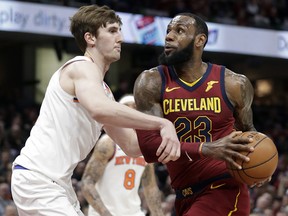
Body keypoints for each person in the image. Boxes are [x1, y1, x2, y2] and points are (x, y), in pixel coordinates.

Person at [10, 5, 181, 216]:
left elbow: (132, 146)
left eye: (119, 30)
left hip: (57, 184)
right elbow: (99, 110)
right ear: (90, 38)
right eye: (112, 31)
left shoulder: (104, 92)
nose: (120, 38)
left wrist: (181, 132)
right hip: (38, 178)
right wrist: (161, 123)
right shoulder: (81, 66)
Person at [133, 13, 268, 216]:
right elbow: (150, 149)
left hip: (224, 190)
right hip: (183, 195)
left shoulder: (233, 84)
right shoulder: (151, 82)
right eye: (169, 30)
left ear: (200, 40)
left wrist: (261, 163)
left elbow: (250, 134)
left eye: (179, 31)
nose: (169, 36)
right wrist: (206, 148)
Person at [81, 94, 165, 216]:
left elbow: (150, 187)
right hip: (105, 212)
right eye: (126, 106)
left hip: (134, 212)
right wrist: (105, 213)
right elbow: (87, 183)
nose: (131, 109)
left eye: (134, 106)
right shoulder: (108, 143)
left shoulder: (144, 146)